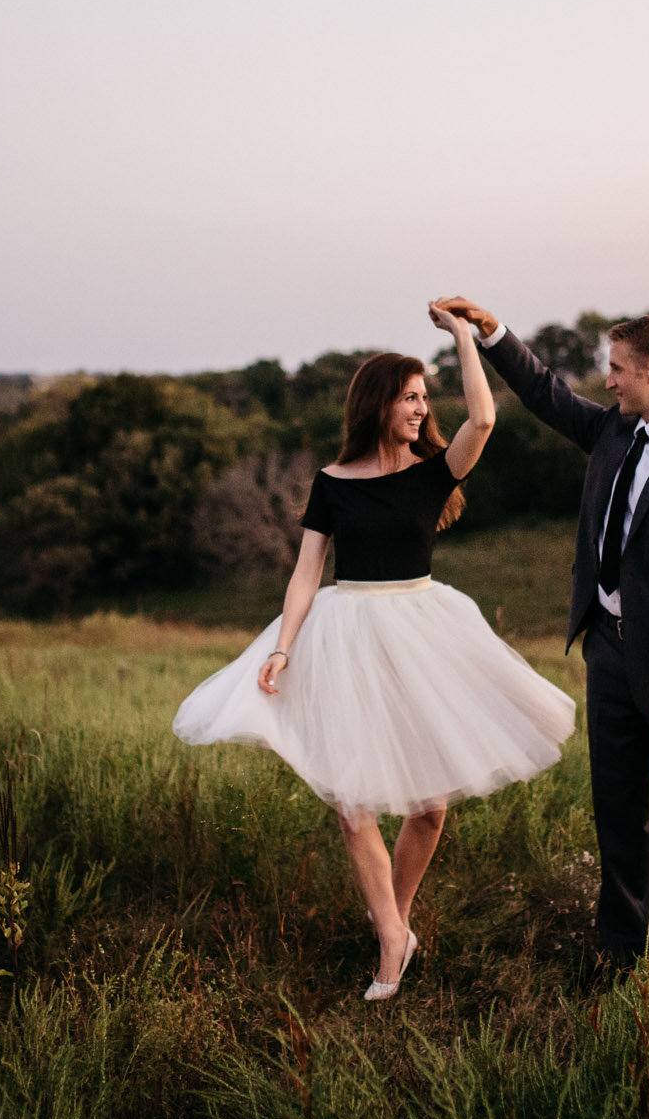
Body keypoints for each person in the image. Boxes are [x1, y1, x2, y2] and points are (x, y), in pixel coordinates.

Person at [173, 301, 575, 1000]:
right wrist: (284, 647)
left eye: (425, 396)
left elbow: (483, 419)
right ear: (379, 402)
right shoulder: (332, 482)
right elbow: (307, 572)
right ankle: (390, 939)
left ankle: (398, 913)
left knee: (429, 807)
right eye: (411, 397)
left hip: (422, 632)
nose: (422, 408)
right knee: (352, 800)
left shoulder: (433, 472)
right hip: (345, 634)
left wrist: (462, 339)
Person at [437, 298, 649, 972]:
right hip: (608, 653)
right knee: (619, 819)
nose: (606, 381)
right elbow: (545, 392)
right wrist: (490, 332)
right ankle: (622, 956)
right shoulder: (614, 432)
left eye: (615, 369)